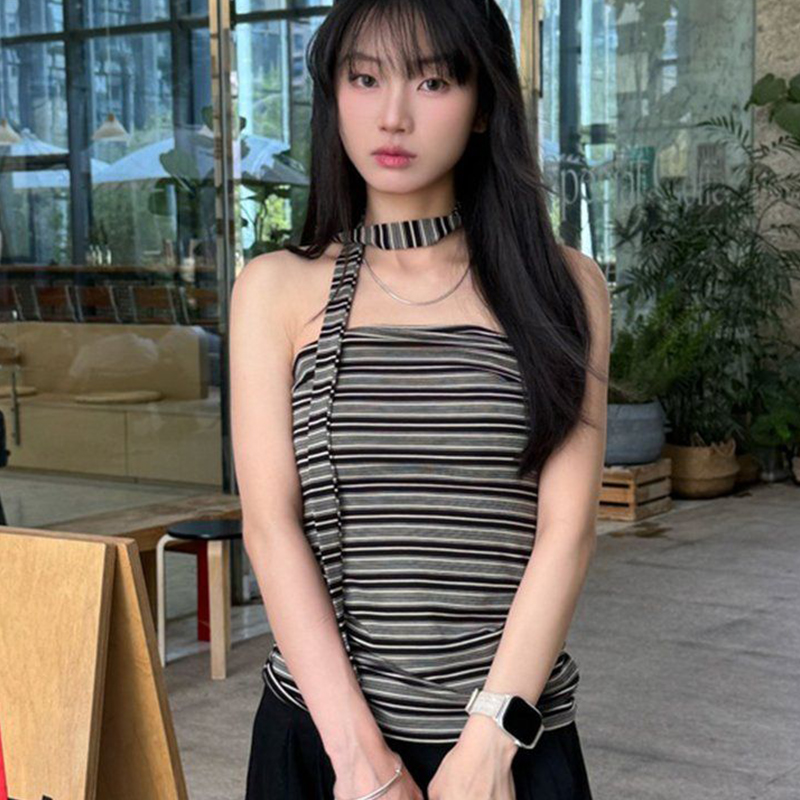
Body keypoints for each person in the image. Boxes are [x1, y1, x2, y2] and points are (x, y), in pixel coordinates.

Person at [230, 0, 610, 798]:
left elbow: (566, 532)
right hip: (325, 746)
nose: (392, 116)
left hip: (511, 747)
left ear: (483, 105)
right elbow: (271, 525)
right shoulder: (276, 289)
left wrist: (488, 748)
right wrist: (361, 761)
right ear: (334, 95)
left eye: (432, 81)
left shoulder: (562, 286)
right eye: (365, 79)